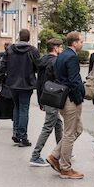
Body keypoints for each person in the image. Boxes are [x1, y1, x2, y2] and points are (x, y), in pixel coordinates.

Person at [47, 32, 85, 179]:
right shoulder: (71, 57)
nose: (82, 43)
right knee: (70, 133)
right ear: (74, 43)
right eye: (81, 41)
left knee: (78, 129)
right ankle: (65, 168)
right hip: (71, 99)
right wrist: (79, 98)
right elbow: (74, 80)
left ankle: (55, 156)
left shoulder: (61, 55)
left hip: (63, 97)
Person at [29, 38, 64, 167]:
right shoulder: (55, 62)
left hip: (45, 96)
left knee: (58, 123)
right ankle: (35, 155)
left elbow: (40, 82)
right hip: (53, 97)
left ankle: (61, 150)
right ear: (55, 48)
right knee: (48, 126)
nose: (62, 49)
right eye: (61, 47)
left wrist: (41, 100)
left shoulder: (43, 60)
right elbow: (58, 81)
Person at [4, 28, 40, 147]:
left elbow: (3, 65)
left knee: (17, 107)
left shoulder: (10, 49)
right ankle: (22, 136)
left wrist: (1, 81)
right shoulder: (33, 50)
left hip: (12, 82)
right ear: (28, 38)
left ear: (19, 37)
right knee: (24, 109)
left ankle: (15, 133)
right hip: (26, 83)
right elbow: (38, 66)